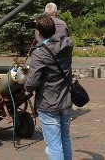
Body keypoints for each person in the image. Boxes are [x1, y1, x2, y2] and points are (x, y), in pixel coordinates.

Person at [25, 14, 74, 159]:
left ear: (38, 33)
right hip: (66, 100)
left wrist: (26, 87)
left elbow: (32, 83)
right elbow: (61, 35)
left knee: (53, 146)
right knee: (65, 139)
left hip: (48, 103)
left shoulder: (39, 54)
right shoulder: (68, 44)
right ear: (55, 28)